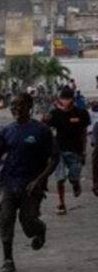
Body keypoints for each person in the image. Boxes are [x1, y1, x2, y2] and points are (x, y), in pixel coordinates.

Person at [0, 92, 57, 272]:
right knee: (5, 219)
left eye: (19, 104)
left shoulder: (41, 131)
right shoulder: (8, 131)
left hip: (31, 184)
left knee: (28, 222)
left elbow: (54, 158)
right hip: (9, 181)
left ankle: (40, 230)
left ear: (29, 106)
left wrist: (39, 180)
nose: (15, 108)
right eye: (13, 105)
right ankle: (8, 259)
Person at [43, 86, 90, 215]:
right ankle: (61, 203)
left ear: (72, 99)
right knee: (60, 178)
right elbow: (45, 127)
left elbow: (84, 133)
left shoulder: (81, 113)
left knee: (73, 177)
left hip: (75, 150)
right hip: (59, 151)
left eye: (67, 98)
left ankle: (76, 184)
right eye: (63, 98)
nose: (65, 101)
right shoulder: (55, 113)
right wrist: (45, 120)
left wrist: (84, 151)